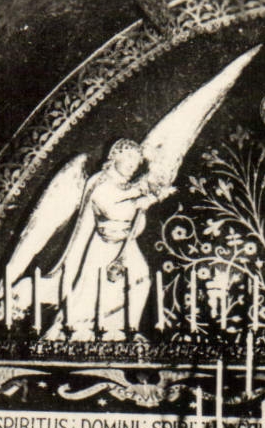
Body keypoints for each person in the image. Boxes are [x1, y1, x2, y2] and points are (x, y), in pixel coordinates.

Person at [45, 140, 175, 340]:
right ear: (115, 156)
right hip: (104, 246)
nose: (134, 164)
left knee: (141, 280)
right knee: (96, 290)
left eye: (137, 160)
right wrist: (144, 200)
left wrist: (144, 199)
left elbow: (135, 221)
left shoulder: (128, 186)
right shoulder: (101, 181)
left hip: (126, 245)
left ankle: (124, 332)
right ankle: (82, 332)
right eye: (129, 158)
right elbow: (111, 209)